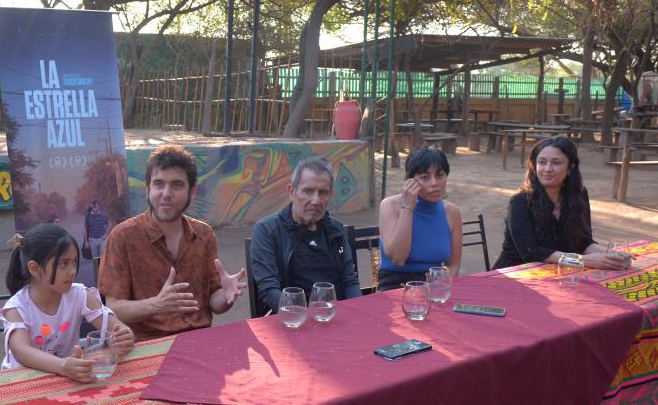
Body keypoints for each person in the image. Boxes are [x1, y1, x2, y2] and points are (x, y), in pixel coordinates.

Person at [98, 145, 246, 340]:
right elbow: (113, 309)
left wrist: (226, 296)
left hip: (199, 340)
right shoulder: (123, 237)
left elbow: (214, 303)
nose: (166, 193)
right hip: (147, 344)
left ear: (192, 192)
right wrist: (156, 305)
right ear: (148, 189)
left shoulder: (204, 235)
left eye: (177, 185)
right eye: (159, 184)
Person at [0, 223, 134, 383]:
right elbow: (21, 351)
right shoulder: (16, 308)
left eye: (74, 262)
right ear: (34, 268)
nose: (72, 271)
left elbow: (116, 328)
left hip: (68, 378)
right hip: (23, 382)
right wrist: (62, 366)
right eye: (63, 263)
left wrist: (124, 336)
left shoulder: (79, 294)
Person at [493, 136, 628, 270]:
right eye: (542, 162)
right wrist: (584, 260)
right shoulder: (520, 201)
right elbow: (530, 251)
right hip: (514, 273)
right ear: (534, 166)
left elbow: (583, 241)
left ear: (570, 167)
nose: (547, 169)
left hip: (558, 271)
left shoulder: (579, 194)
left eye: (556, 163)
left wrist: (609, 254)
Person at [250, 156, 361, 314]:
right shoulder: (267, 231)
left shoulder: (335, 231)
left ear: (331, 195)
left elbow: (350, 282)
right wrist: (306, 316)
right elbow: (269, 291)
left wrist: (358, 314)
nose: (316, 200)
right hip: (291, 318)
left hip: (334, 316)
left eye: (323, 192)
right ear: (292, 192)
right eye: (308, 191)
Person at [377, 146, 463, 291]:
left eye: (440, 175)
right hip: (395, 285)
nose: (434, 183)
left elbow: (453, 264)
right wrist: (407, 207)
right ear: (410, 180)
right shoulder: (390, 206)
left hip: (434, 285)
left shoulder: (452, 212)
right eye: (425, 177)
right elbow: (398, 258)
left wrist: (440, 287)